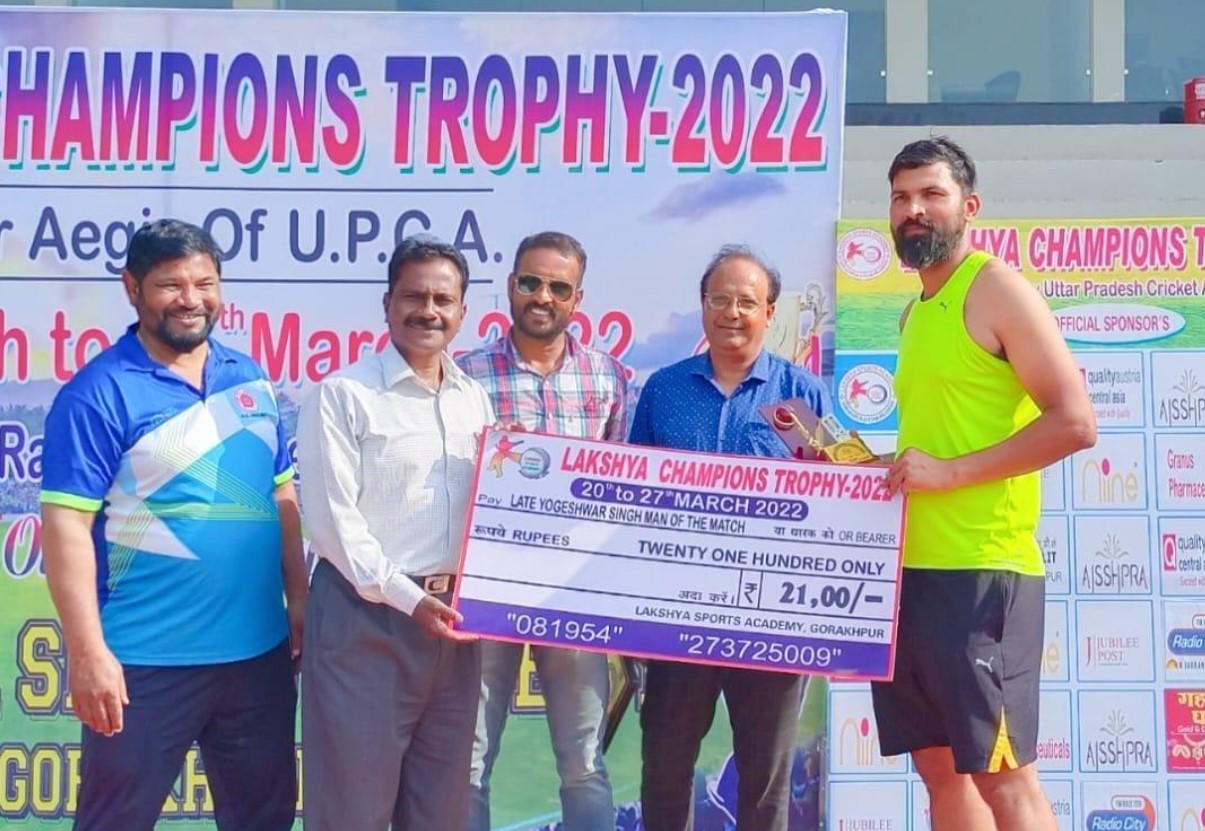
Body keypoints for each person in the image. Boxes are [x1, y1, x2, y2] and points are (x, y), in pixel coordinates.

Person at [39, 218, 307, 831]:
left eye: (205, 284)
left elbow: (281, 494)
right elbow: (65, 528)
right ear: (132, 288)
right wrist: (88, 653)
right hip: (143, 664)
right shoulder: (97, 394)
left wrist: (299, 599)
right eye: (170, 285)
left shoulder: (250, 378)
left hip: (258, 661)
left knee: (264, 820)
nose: (191, 300)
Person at [871, 137, 1096, 831]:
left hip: (981, 573)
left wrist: (949, 473)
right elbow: (944, 436)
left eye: (931, 194)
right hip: (911, 571)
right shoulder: (914, 311)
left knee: (1005, 779)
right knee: (940, 771)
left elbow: (1074, 422)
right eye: (901, 197)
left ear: (968, 207)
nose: (914, 209)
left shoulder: (995, 288)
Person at [628, 244, 830, 831]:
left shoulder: (799, 396)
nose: (732, 312)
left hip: (770, 618)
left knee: (765, 779)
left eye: (747, 301)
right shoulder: (664, 390)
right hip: (677, 614)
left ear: (769, 312)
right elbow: (630, 490)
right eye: (720, 299)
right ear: (702, 306)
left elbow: (835, 499)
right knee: (664, 768)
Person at [296, 234, 495, 831]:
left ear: (462, 311)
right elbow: (333, 526)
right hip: (366, 623)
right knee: (351, 813)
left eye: (443, 299)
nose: (428, 311)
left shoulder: (474, 400)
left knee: (439, 812)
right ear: (387, 304)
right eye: (414, 297)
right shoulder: (343, 395)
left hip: (453, 627)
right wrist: (411, 600)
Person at [457, 231, 626, 831]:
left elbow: (622, 488)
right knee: (467, 763)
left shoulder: (609, 377)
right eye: (530, 282)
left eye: (558, 287)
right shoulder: (463, 375)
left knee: (585, 765)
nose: (542, 297)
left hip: (574, 595)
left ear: (578, 298)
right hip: (487, 593)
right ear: (510, 286)